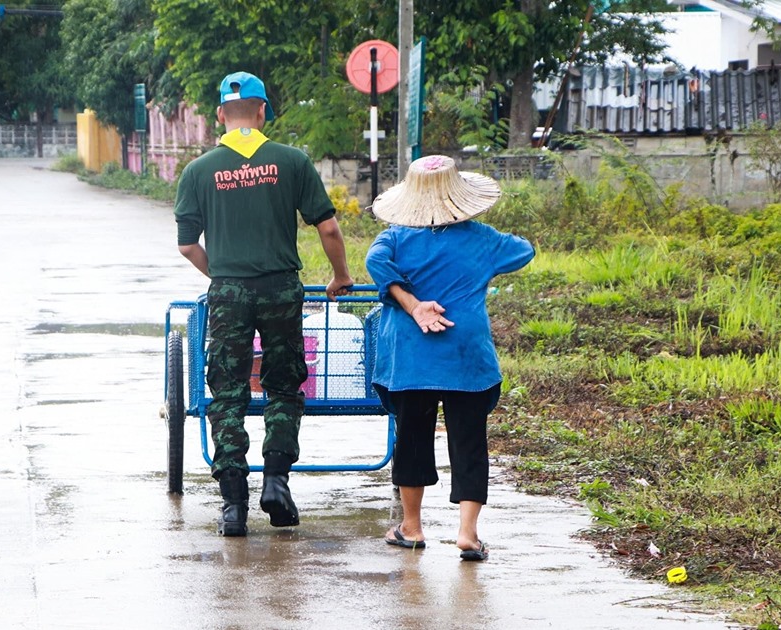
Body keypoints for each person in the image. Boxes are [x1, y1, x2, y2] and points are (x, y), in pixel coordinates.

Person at [174, 71, 354, 537]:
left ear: (219, 115)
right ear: (261, 112)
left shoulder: (198, 171)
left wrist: (226, 276)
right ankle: (276, 483)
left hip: (229, 291)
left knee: (229, 393)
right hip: (280, 290)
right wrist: (341, 276)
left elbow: (188, 247)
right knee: (283, 387)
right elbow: (329, 228)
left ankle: (233, 505)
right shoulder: (291, 161)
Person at [365, 154, 535, 561]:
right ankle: (468, 534)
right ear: (460, 198)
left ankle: (411, 528)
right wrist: (481, 237)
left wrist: (412, 303)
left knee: (412, 441)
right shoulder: (484, 239)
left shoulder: (394, 239)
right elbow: (524, 250)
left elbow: (374, 261)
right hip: (466, 360)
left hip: (411, 361)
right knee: (469, 444)